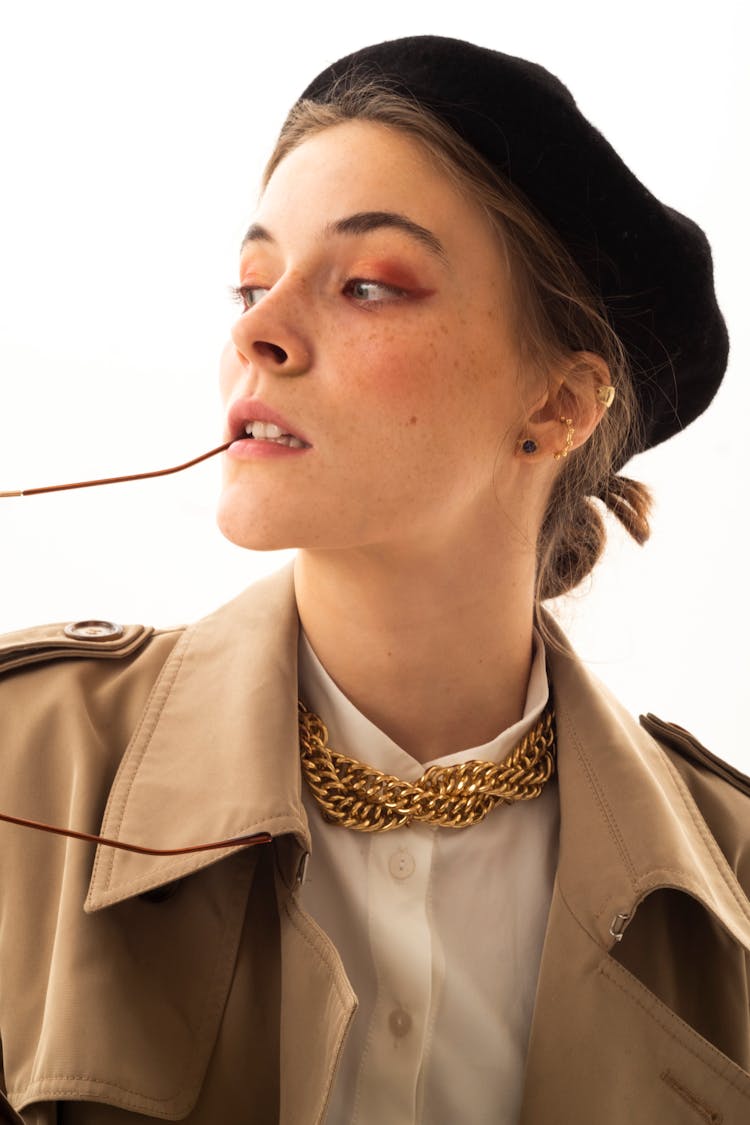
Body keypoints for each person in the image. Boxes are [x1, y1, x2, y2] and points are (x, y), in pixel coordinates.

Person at [0, 34, 748, 1125]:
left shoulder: (733, 888)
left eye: (366, 285)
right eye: (250, 282)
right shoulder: (23, 772)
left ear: (559, 404)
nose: (257, 331)